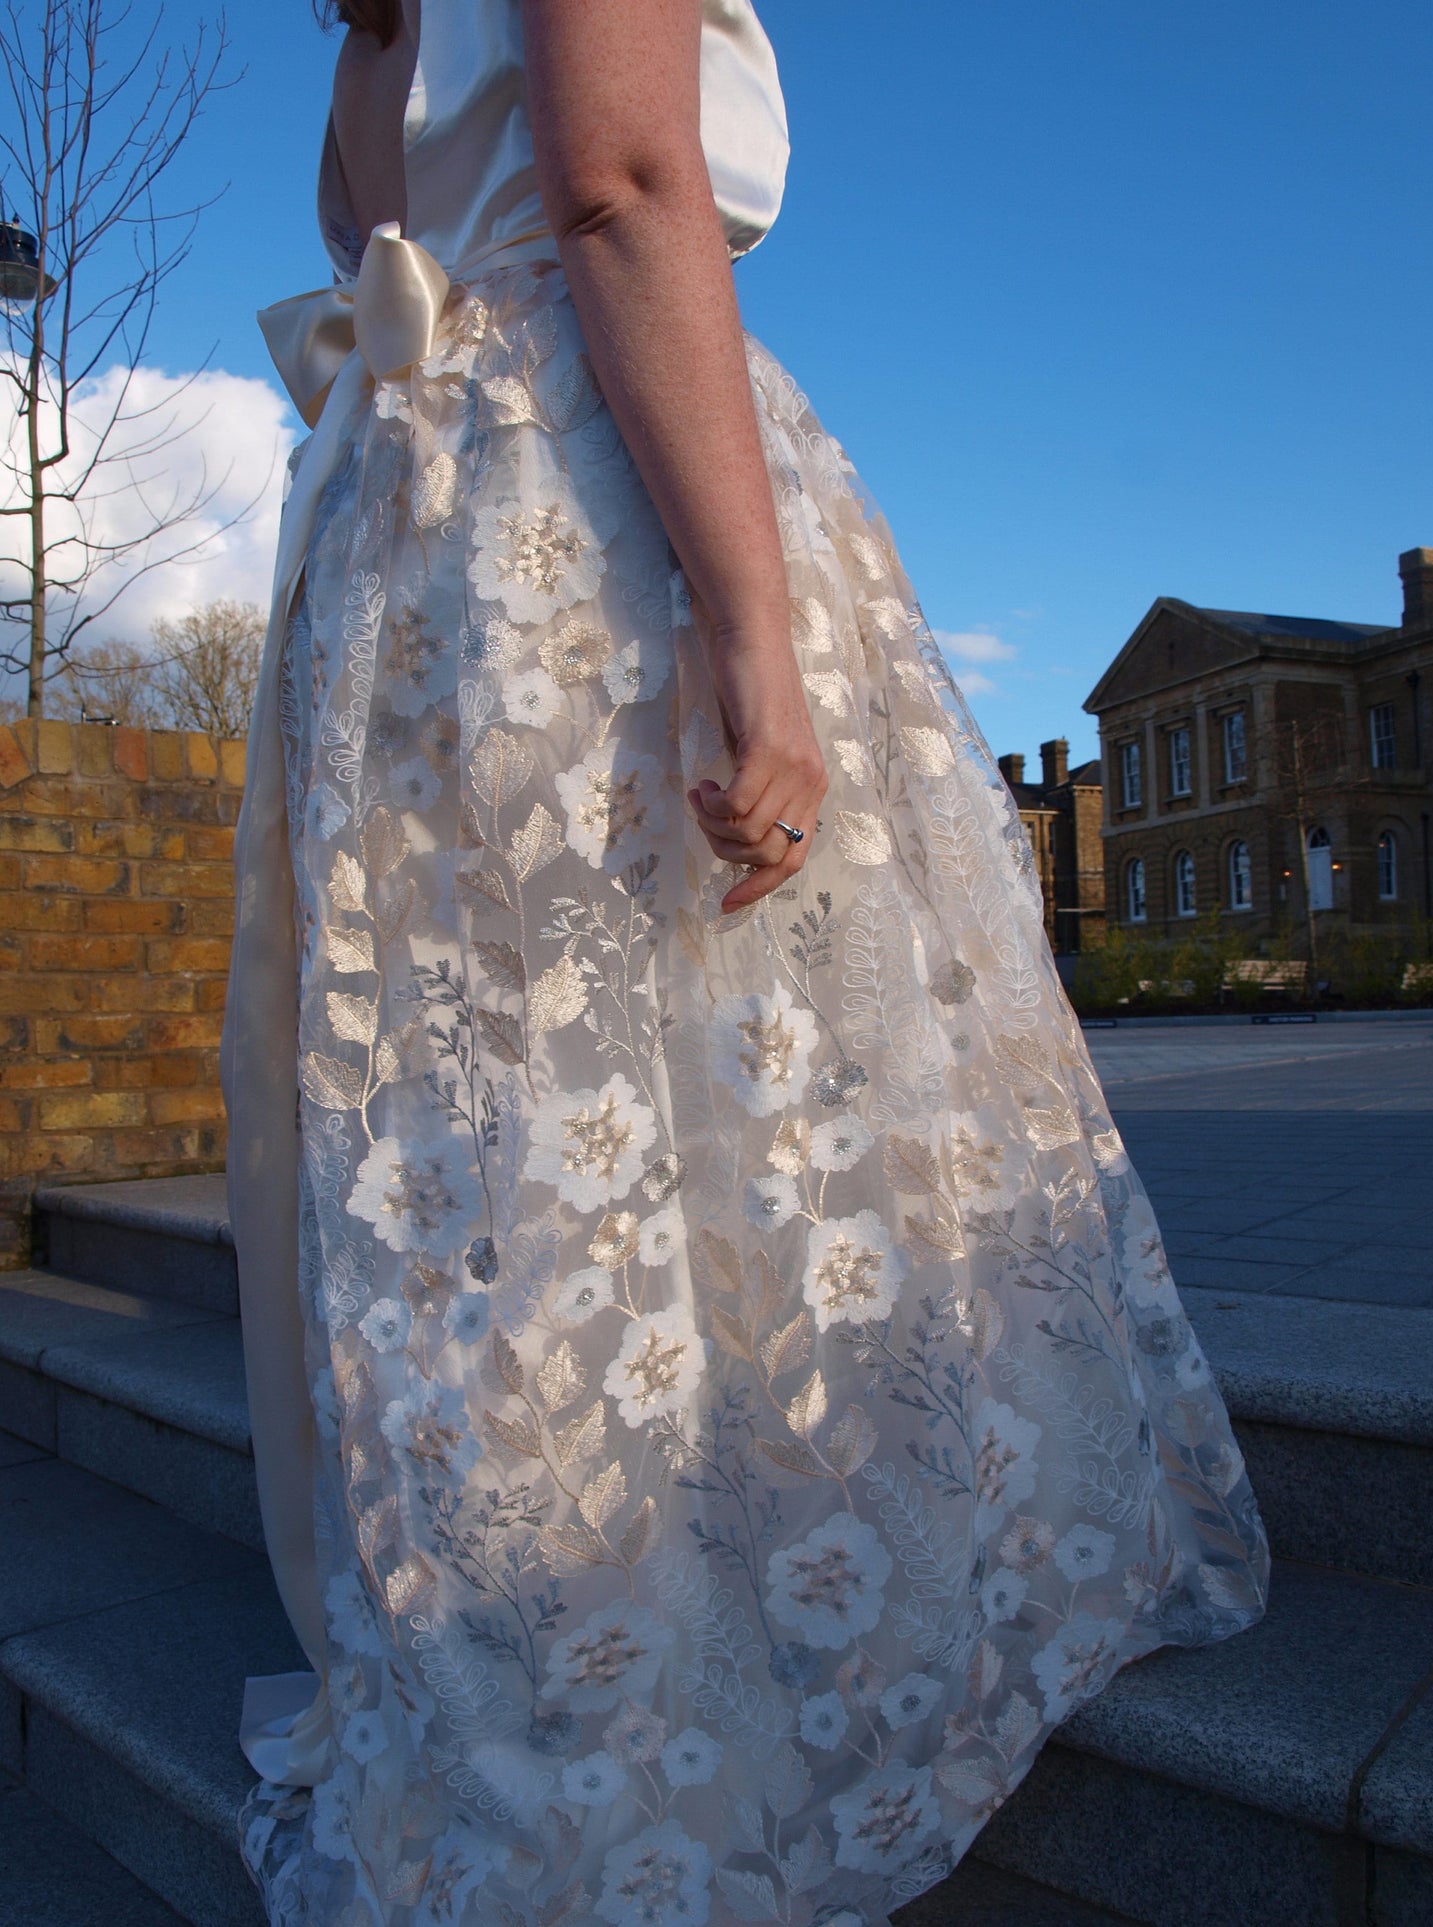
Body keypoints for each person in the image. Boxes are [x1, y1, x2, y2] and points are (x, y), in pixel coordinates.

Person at [219, 3, 1270, 1921]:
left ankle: (568, 1611)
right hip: (582, 502)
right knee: (742, 1036)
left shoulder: (363, 22)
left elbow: (366, 229)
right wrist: (749, 624)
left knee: (520, 1132)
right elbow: (621, 182)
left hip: (407, 556)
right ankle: (680, 1634)